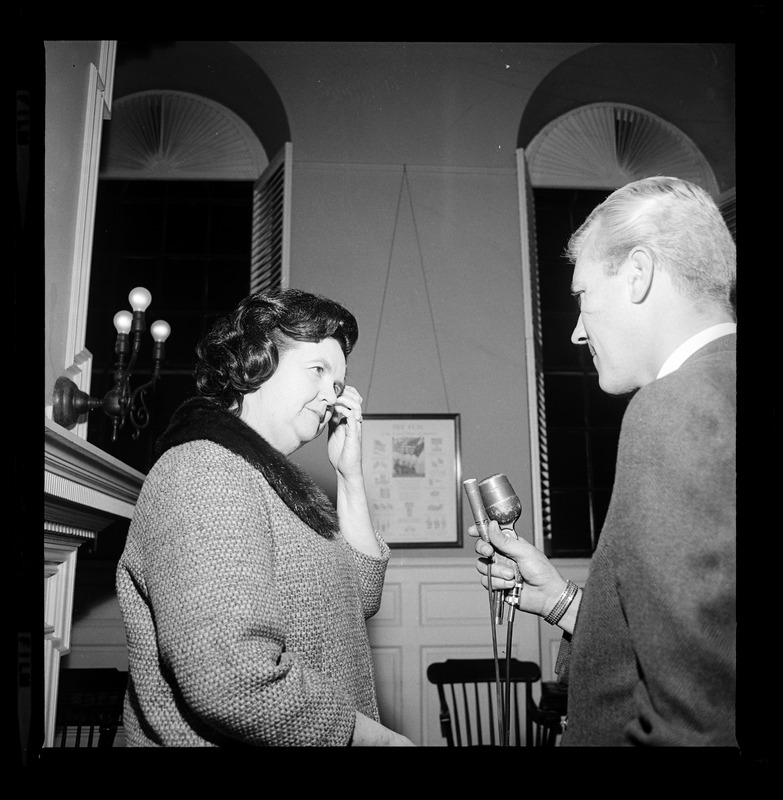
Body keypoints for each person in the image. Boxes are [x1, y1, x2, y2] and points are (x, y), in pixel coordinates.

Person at [471, 176, 736, 747]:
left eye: (583, 295)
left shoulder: (672, 406)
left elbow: (696, 719)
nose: (574, 331)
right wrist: (563, 603)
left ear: (637, 274)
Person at [116, 288, 414, 747]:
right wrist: (377, 740)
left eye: (338, 381)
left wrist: (350, 476)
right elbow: (230, 676)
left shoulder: (276, 483)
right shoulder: (205, 471)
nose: (335, 395)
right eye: (318, 370)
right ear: (256, 363)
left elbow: (360, 598)